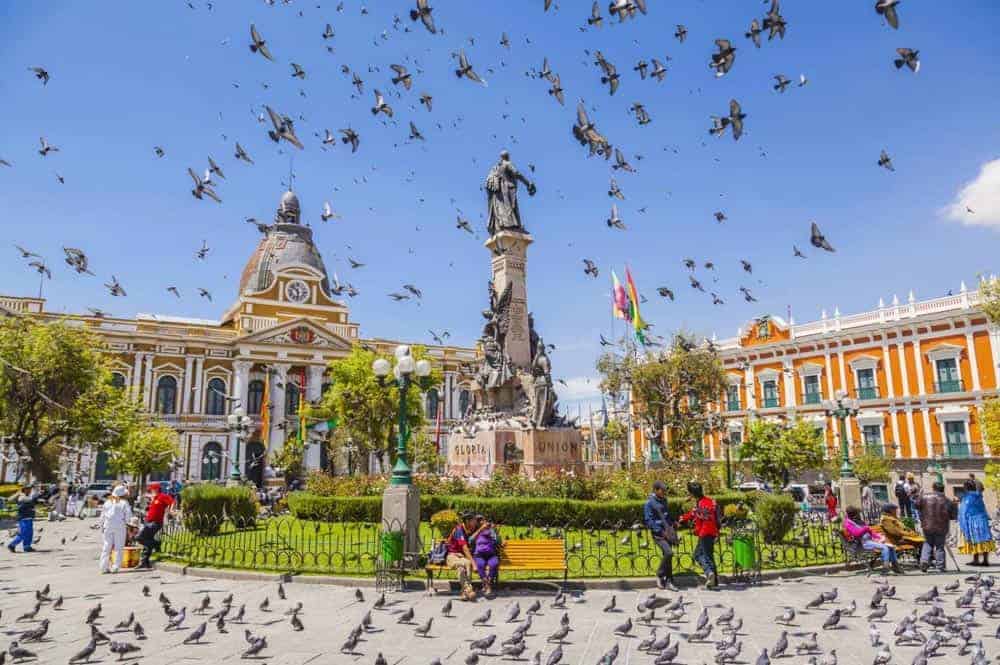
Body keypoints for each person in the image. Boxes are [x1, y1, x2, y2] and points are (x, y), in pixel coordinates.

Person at [678, 481, 720, 589]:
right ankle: (714, 582)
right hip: (712, 531)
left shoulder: (700, 503)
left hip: (704, 532)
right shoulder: (709, 501)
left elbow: (695, 514)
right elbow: (712, 515)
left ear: (692, 493)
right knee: (708, 556)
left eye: (689, 493)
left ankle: (709, 573)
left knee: (698, 555)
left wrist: (683, 518)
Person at [844, 506, 901, 573]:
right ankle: (886, 567)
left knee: (891, 547)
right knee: (884, 548)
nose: (859, 515)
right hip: (861, 544)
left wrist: (878, 536)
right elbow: (856, 533)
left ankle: (895, 566)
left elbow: (870, 531)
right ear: (853, 514)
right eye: (857, 513)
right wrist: (866, 528)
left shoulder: (858, 521)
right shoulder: (848, 523)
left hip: (870, 540)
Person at [643, 480, 678, 591]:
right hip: (659, 534)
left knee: (668, 557)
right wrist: (660, 531)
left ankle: (669, 581)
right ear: (655, 490)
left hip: (668, 531)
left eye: (665, 490)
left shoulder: (664, 501)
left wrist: (673, 523)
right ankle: (659, 574)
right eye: (662, 490)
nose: (664, 492)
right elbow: (649, 521)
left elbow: (666, 516)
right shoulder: (649, 503)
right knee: (669, 553)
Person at [914, 481, 953, 572]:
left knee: (927, 543)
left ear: (933, 488)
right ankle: (940, 566)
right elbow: (953, 516)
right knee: (939, 546)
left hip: (927, 525)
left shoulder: (924, 497)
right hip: (941, 526)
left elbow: (916, 505)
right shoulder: (947, 501)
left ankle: (924, 561)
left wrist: (919, 495)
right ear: (943, 489)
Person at [136, 482, 175, 569]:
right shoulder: (154, 497)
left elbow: (172, 501)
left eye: (152, 489)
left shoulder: (162, 496)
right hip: (148, 522)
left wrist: (171, 510)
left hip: (155, 523)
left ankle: (156, 544)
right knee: (147, 541)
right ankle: (144, 562)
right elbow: (148, 496)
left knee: (139, 537)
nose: (151, 491)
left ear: (156, 489)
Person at [958, 478, 994, 566]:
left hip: (972, 522)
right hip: (982, 520)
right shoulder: (979, 496)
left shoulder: (967, 498)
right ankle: (985, 560)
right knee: (984, 540)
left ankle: (976, 560)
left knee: (974, 540)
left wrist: (963, 524)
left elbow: (963, 511)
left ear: (965, 488)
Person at [445, 512, 479, 601]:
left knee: (463, 567)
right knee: (466, 564)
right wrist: (474, 564)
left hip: (461, 558)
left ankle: (464, 592)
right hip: (452, 556)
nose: (476, 522)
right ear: (467, 521)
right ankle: (469, 590)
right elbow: (465, 549)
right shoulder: (459, 530)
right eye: (474, 520)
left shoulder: (468, 529)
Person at [100, 485, 133, 574]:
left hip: (107, 526)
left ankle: (104, 567)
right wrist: (128, 525)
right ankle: (115, 567)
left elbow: (102, 516)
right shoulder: (124, 503)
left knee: (106, 547)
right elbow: (128, 516)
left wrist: (101, 526)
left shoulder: (108, 501)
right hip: (119, 526)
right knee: (119, 547)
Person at [470, 515, 502, 596]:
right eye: (479, 520)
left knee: (494, 564)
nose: (482, 521)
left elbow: (498, 541)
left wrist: (493, 531)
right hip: (479, 555)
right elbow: (470, 540)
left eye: (483, 520)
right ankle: (487, 585)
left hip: (491, 554)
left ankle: (487, 583)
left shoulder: (491, 530)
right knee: (480, 564)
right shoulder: (475, 530)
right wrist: (481, 529)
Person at [7, 484, 41, 553]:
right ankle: (12, 545)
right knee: (23, 533)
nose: (30, 490)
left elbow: (32, 503)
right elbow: (27, 500)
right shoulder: (21, 496)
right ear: (24, 489)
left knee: (30, 533)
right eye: (28, 488)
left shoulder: (28, 496)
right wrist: (18, 493)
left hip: (29, 517)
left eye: (30, 489)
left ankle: (27, 547)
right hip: (23, 518)